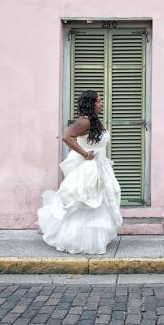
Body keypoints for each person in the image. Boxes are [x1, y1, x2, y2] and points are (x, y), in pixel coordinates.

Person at [36, 90, 123, 254]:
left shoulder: (93, 120)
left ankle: (92, 239)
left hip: (100, 164)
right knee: (86, 200)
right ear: (91, 103)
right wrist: (85, 154)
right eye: (99, 101)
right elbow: (67, 136)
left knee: (98, 201)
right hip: (88, 166)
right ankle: (78, 240)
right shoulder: (84, 121)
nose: (102, 103)